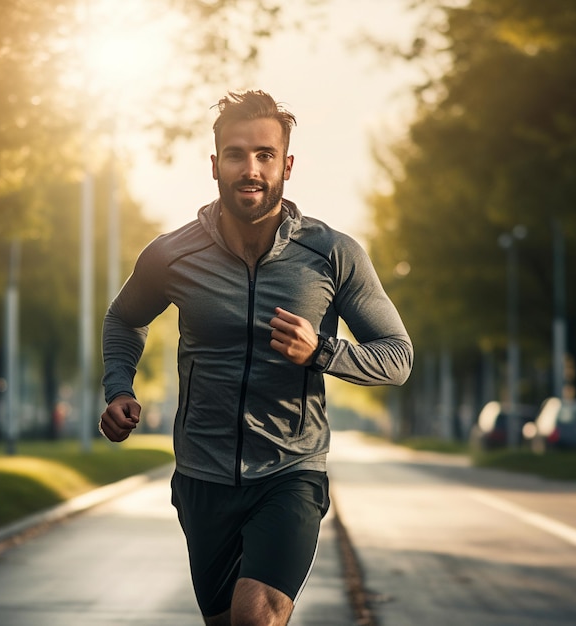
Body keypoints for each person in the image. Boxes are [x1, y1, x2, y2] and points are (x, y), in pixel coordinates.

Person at [99, 90, 413, 626]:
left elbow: (396, 357)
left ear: (287, 165)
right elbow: (124, 318)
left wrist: (322, 351)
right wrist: (119, 387)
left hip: (291, 470)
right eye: (237, 154)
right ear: (215, 163)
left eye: (265, 155)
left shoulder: (332, 255)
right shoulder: (172, 255)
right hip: (202, 474)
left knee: (256, 616)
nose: (251, 169)